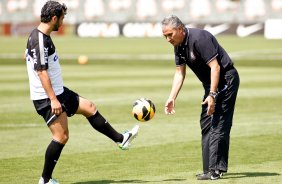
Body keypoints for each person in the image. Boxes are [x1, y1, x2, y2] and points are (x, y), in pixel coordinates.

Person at [25, 1, 139, 184]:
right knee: (61, 137)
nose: (63, 21)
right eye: (62, 17)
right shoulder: (38, 39)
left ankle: (121, 139)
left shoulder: (40, 36)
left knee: (90, 107)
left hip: (59, 92)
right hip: (48, 97)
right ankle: (45, 180)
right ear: (54, 18)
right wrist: (53, 99)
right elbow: (41, 72)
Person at [161, 15, 240, 180]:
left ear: (181, 29)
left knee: (219, 123)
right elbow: (179, 73)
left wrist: (212, 95)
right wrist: (172, 97)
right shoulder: (178, 46)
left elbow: (215, 67)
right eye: (165, 36)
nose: (168, 39)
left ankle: (215, 170)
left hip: (226, 80)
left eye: (170, 35)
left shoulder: (200, 38)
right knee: (205, 124)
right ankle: (208, 169)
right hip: (210, 85)